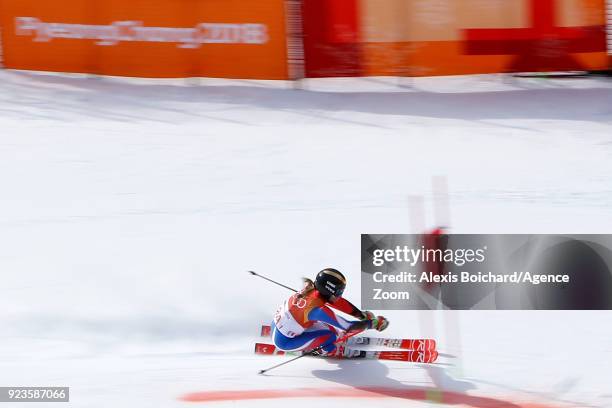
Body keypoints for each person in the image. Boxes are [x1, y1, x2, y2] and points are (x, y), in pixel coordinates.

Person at [272, 268, 389, 356]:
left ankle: (311, 336)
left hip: (279, 324)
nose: (340, 295)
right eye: (339, 292)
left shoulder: (313, 289)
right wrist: (373, 323)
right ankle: (323, 350)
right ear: (328, 291)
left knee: (333, 330)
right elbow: (348, 326)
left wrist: (361, 315)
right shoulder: (317, 311)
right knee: (331, 336)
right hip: (285, 342)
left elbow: (338, 302)